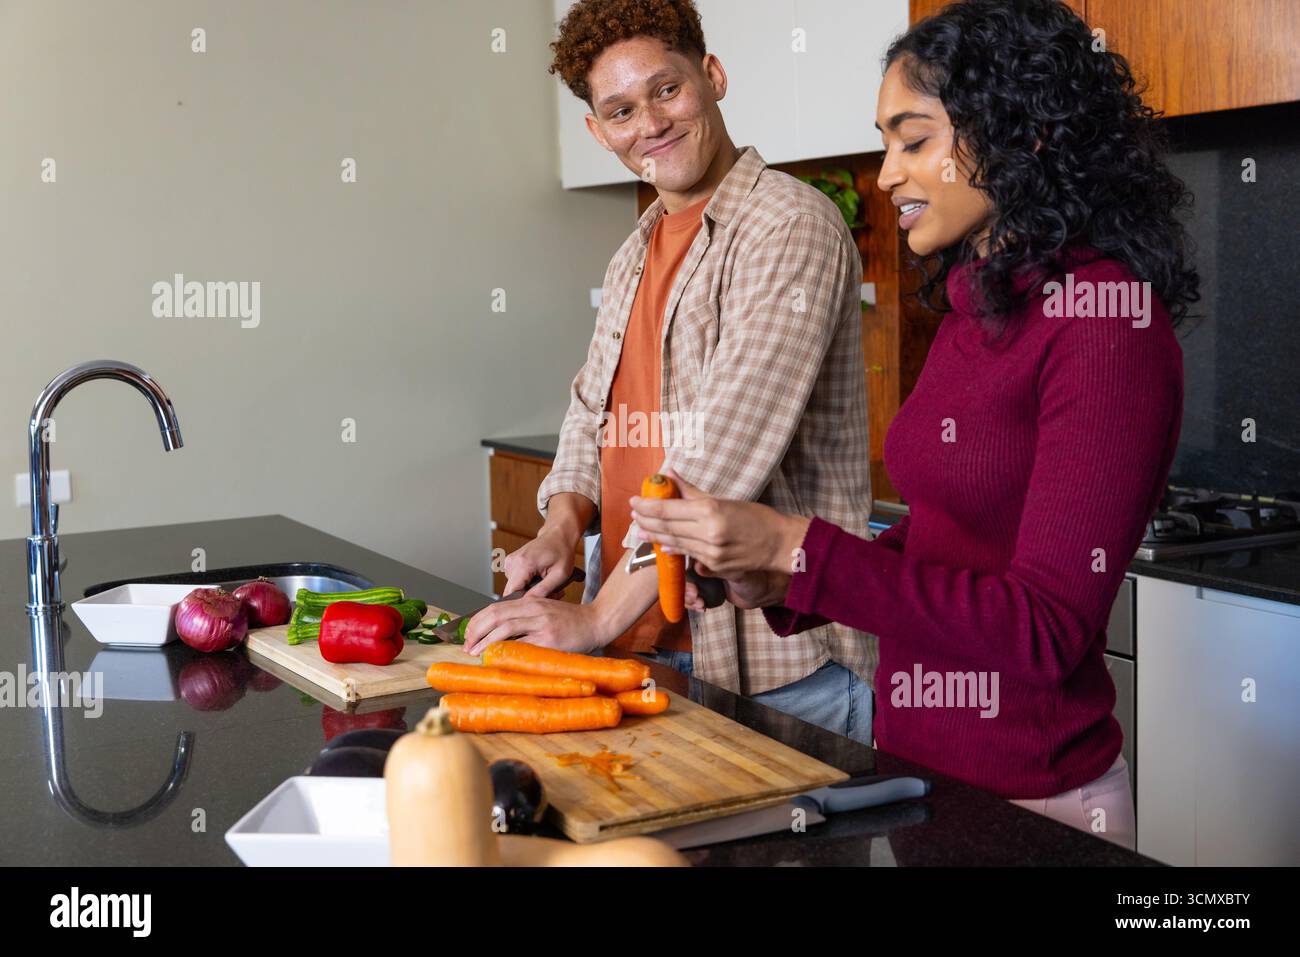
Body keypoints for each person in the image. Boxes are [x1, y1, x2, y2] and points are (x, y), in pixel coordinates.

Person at [629, 0, 1199, 850]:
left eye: (914, 138)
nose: (888, 172)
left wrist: (802, 552)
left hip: (1033, 806)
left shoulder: (1105, 323)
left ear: (1021, 135)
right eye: (886, 140)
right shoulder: (981, 304)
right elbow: (946, 546)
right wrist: (785, 581)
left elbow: (1043, 629)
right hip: (919, 774)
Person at [464, 0, 876, 743]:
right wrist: (563, 524)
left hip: (782, 670)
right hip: (646, 649)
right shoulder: (635, 252)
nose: (649, 123)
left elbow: (717, 461)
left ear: (711, 77)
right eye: (619, 110)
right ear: (598, 132)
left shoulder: (791, 226)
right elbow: (591, 412)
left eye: (666, 90)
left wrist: (591, 618)